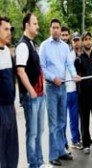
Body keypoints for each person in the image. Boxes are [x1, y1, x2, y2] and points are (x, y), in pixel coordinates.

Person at [39, 18, 80, 166]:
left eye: (58, 27)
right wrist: (52, 77)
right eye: (53, 27)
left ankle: (61, 151)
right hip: (51, 87)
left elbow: (69, 64)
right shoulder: (44, 46)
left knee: (62, 122)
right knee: (53, 124)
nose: (56, 30)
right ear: (50, 29)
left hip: (63, 86)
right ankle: (53, 155)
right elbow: (42, 67)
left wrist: (74, 74)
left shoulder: (64, 47)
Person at [15, 13, 49, 168]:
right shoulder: (22, 45)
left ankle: (39, 161)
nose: (38, 26)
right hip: (31, 96)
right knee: (32, 133)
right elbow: (20, 71)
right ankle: (33, 164)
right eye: (35, 24)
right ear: (27, 26)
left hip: (40, 95)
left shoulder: (32, 44)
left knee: (39, 131)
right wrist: (31, 90)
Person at [75, 32, 92, 154]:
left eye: (89, 39)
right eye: (85, 39)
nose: (87, 41)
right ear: (82, 42)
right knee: (84, 120)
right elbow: (76, 77)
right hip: (83, 95)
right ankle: (86, 143)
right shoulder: (78, 59)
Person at [0, 16, 19, 168]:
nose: (9, 33)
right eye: (5, 29)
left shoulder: (8, 51)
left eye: (10, 30)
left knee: (12, 149)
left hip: (10, 107)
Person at [65, 32, 83, 151]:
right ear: (72, 41)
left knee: (77, 117)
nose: (76, 42)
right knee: (67, 118)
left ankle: (77, 139)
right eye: (74, 40)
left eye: (78, 40)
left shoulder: (82, 55)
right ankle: (68, 141)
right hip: (68, 89)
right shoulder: (68, 54)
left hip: (79, 91)